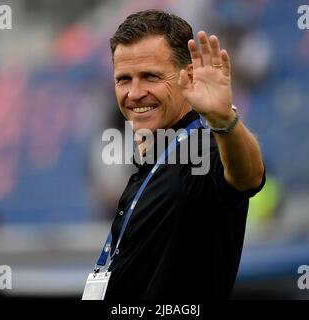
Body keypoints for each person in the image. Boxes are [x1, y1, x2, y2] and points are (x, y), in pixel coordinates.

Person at [95, 9, 265, 300]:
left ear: (188, 76)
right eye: (124, 79)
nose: (134, 93)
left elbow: (247, 176)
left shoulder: (202, 149)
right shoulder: (154, 160)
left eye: (150, 76)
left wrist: (224, 121)